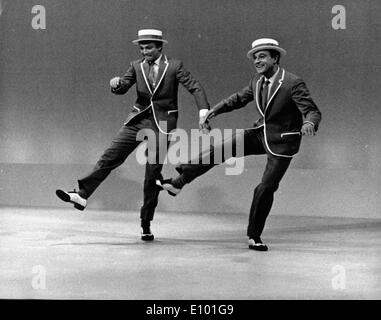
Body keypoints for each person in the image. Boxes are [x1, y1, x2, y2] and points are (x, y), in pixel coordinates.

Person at [157, 38, 322, 251]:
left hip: (282, 142)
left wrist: (309, 122)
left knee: (266, 187)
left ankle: (254, 235)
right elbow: (238, 99)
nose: (257, 61)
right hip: (260, 132)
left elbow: (312, 110)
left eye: (262, 56)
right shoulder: (257, 81)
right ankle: (179, 182)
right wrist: (212, 111)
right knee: (222, 148)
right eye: (255, 57)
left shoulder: (292, 82)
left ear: (275, 58)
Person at [56, 29, 210, 241]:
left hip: (162, 123)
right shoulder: (136, 66)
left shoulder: (174, 66)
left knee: (152, 174)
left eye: (148, 47)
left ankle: (145, 223)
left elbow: (195, 87)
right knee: (110, 156)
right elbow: (122, 88)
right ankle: (82, 195)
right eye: (141, 47)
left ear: (159, 47)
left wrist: (203, 112)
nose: (144, 51)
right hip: (138, 120)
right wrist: (115, 84)